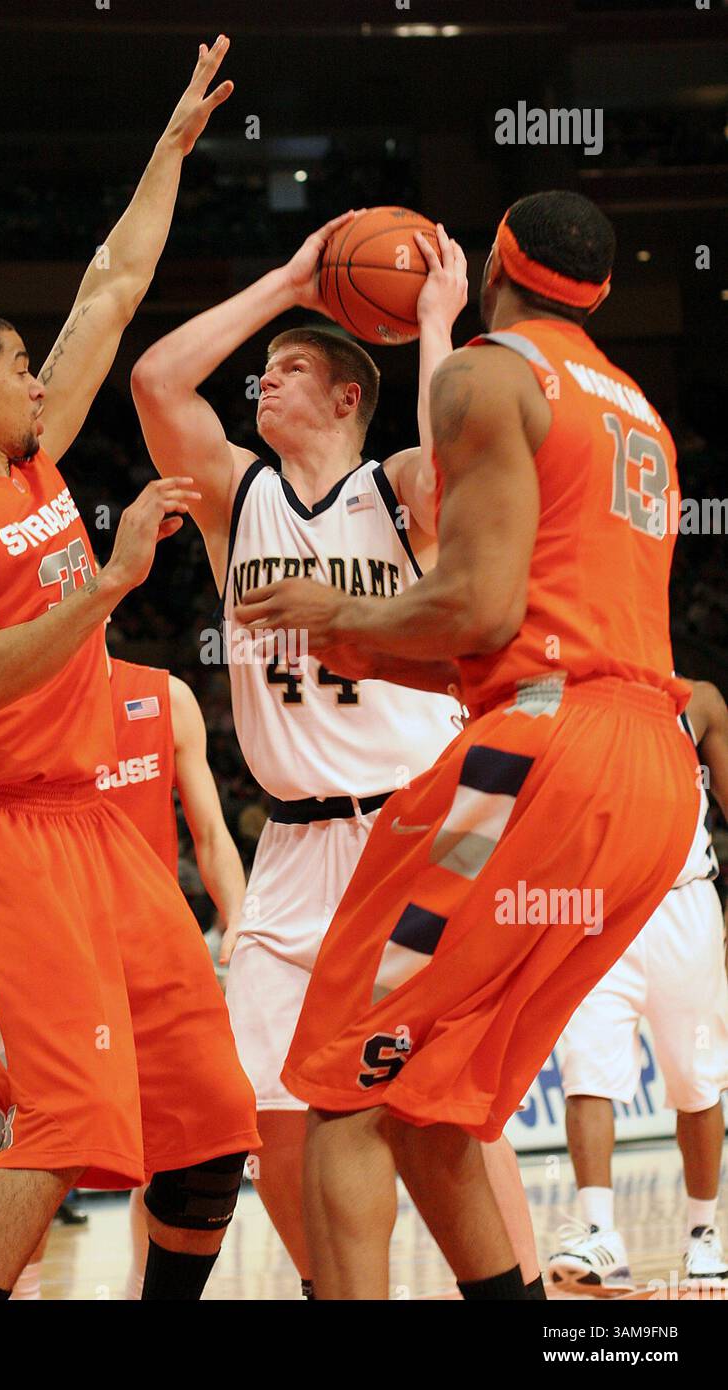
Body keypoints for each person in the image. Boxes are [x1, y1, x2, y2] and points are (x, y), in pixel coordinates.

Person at [235, 189, 698, 1300]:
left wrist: (332, 614)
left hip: (546, 741)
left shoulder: (485, 373)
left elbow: (481, 616)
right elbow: (504, 632)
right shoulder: (635, 406)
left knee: (342, 1086)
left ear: (496, 261)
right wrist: (373, 651)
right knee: (430, 1101)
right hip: (652, 776)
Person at [0, 36, 259, 1303]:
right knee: (62, 1135)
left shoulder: (32, 457)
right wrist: (107, 585)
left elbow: (112, 285)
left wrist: (171, 146)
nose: (48, 376)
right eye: (25, 365)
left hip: (99, 829)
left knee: (206, 1131)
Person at [132, 217, 541, 1297]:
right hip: (291, 842)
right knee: (266, 1111)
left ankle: (524, 1298)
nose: (259, 383)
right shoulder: (238, 495)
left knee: (435, 1104)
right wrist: (284, 284)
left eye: (289, 371)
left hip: (412, 824)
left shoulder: (397, 488)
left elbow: (462, 456)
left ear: (349, 396)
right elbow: (156, 382)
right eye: (262, 370)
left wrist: (439, 322)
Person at [549, 679, 728, 1292]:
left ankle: (704, 1232)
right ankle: (601, 1234)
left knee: (695, 1078)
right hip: (598, 911)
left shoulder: (698, 701)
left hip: (685, 906)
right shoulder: (563, 695)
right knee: (586, 1069)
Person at [101, 649, 247, 1298]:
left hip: (158, 948)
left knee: (201, 1134)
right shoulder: (20, 697)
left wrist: (237, 917)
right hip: (61, 950)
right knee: (43, 1155)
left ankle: (144, 1288)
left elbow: (210, 832)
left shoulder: (165, 696)